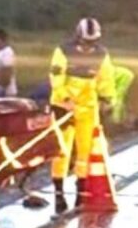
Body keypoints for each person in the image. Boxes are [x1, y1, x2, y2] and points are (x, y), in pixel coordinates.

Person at [49, 17, 115, 214]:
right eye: (86, 42)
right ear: (78, 37)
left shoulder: (102, 54)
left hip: (88, 108)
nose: (89, 46)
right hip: (63, 106)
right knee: (62, 150)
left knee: (86, 151)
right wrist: (65, 98)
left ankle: (81, 192)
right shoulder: (63, 51)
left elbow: (106, 78)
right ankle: (59, 194)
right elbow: (56, 76)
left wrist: (106, 99)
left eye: (92, 42)